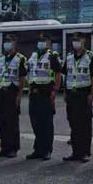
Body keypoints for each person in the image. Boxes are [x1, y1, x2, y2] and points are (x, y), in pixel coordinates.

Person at [63, 32, 93, 162]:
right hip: (71, 94)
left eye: (78, 39)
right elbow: (66, 75)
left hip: (83, 94)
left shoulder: (90, 56)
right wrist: (65, 92)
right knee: (73, 123)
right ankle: (75, 152)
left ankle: (84, 152)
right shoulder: (69, 57)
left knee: (84, 124)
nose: (75, 42)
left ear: (84, 40)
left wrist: (91, 93)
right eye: (74, 40)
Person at [25, 32, 61, 160]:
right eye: (39, 40)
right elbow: (30, 73)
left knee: (46, 123)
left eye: (44, 40)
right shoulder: (33, 55)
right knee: (35, 122)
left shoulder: (52, 56)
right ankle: (38, 149)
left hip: (46, 93)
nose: (41, 43)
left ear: (49, 43)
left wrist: (55, 91)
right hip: (34, 93)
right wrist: (29, 88)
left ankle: (47, 150)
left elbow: (58, 73)